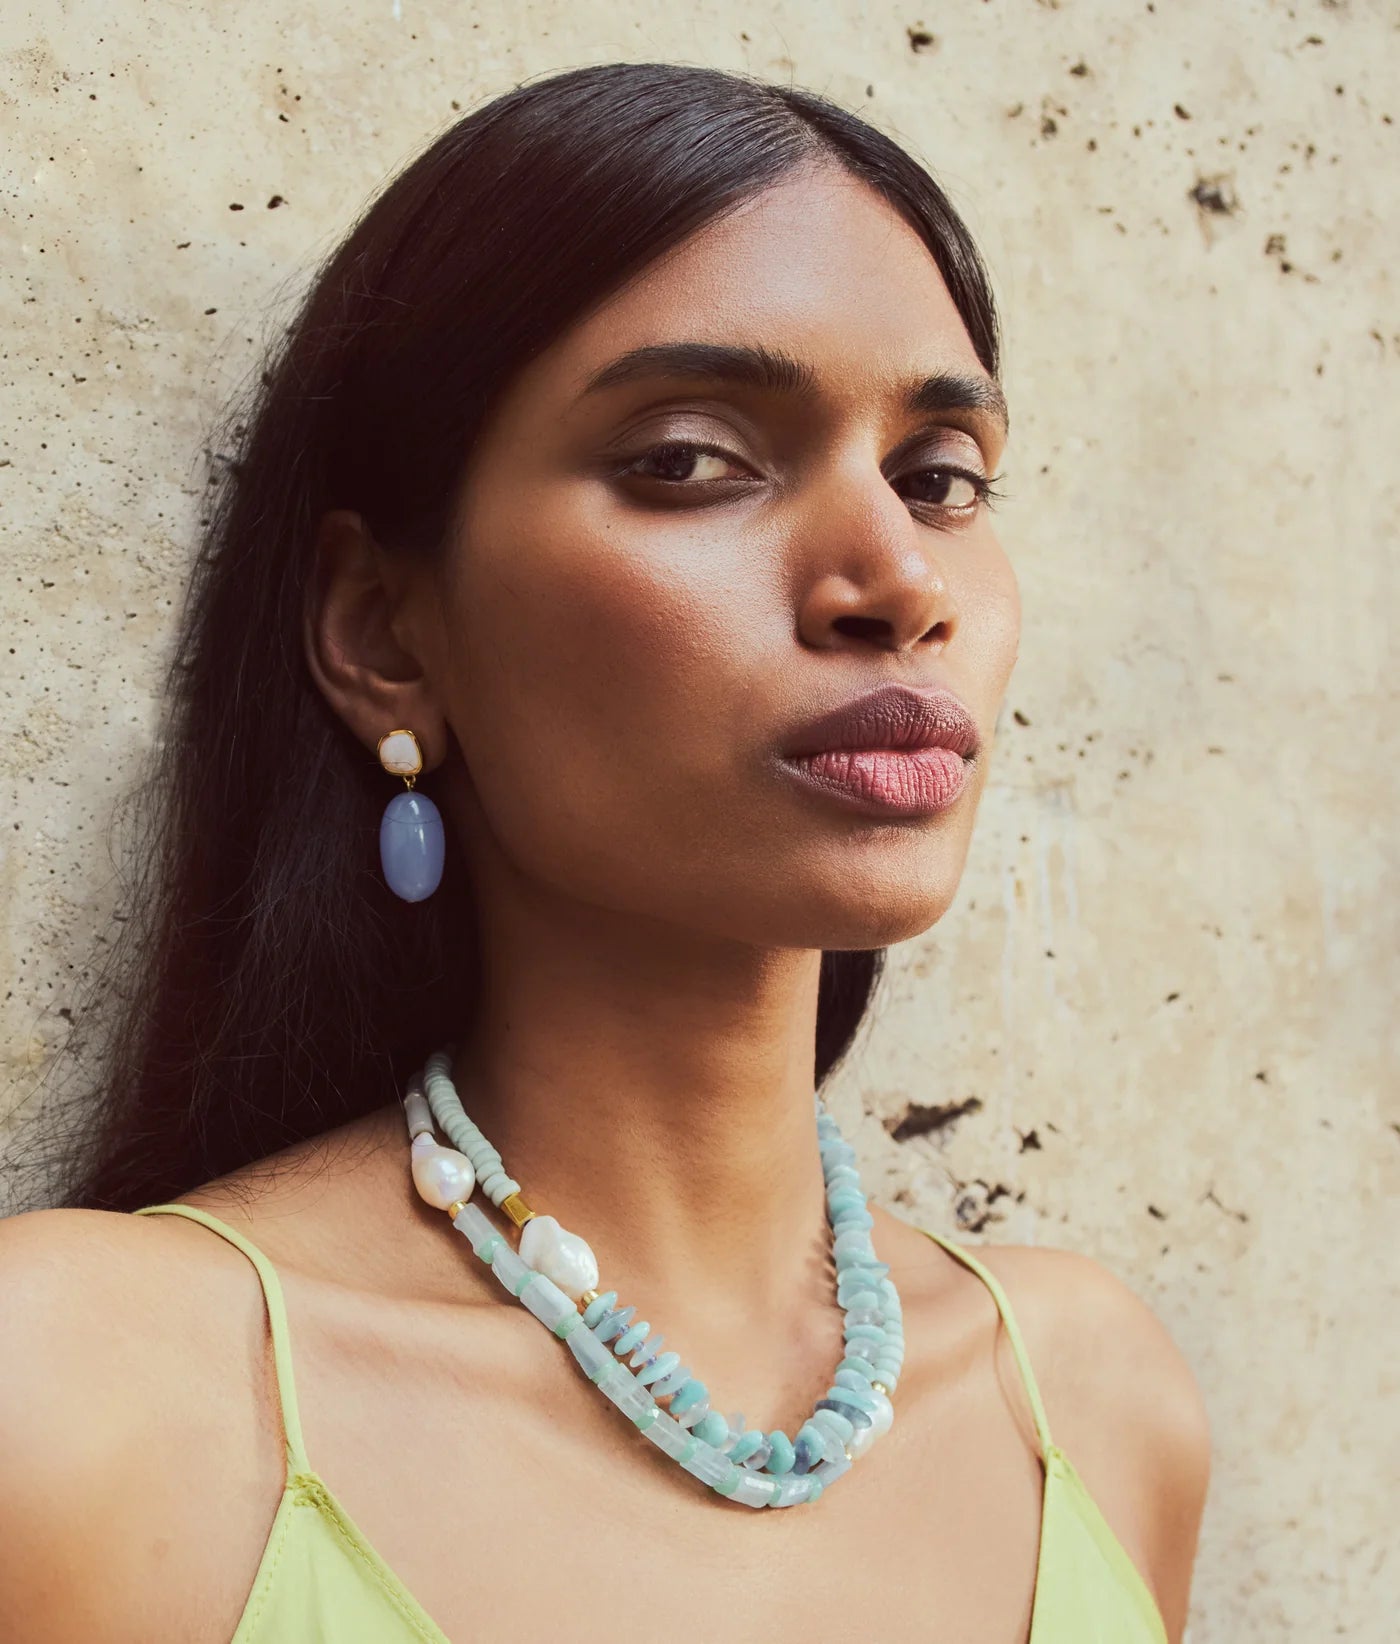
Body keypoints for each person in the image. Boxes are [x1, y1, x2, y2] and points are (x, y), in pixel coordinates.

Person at [0, 61, 1209, 1643]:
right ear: (383, 631)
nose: (899, 578)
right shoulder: (90, 1400)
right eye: (692, 458)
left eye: (942, 478)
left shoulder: (1096, 1409)